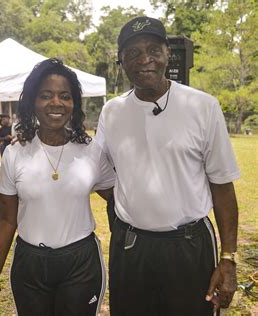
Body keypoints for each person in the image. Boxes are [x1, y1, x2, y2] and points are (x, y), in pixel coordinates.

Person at [96, 16, 240, 315]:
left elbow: (223, 187)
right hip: (131, 248)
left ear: (167, 54)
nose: (145, 59)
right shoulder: (112, 112)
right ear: (121, 61)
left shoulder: (203, 106)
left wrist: (227, 258)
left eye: (153, 49)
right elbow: (100, 172)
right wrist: (132, 202)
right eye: (133, 52)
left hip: (189, 247)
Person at [0, 58, 116, 316]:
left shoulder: (90, 150)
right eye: (46, 95)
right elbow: (6, 218)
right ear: (32, 102)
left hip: (81, 264)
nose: (56, 103)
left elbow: (118, 199)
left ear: (74, 104)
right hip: (30, 264)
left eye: (65, 96)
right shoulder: (15, 153)